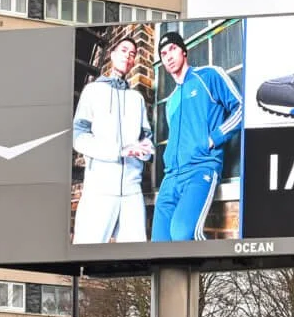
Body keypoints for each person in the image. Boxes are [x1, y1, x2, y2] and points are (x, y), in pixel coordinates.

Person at [152, 30, 242, 241]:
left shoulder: (208, 76)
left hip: (200, 169)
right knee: (158, 243)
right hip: (170, 177)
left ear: (184, 51)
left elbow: (241, 108)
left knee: (183, 235)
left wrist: (213, 139)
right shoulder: (171, 102)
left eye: (173, 49)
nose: (169, 56)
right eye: (163, 54)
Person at [71, 29, 153, 244]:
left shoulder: (137, 99)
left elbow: (147, 139)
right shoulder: (92, 91)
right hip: (100, 189)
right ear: (113, 54)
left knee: (137, 260)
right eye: (124, 50)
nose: (128, 55)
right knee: (86, 254)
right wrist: (118, 151)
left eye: (133, 53)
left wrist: (144, 151)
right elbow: (79, 137)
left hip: (131, 192)